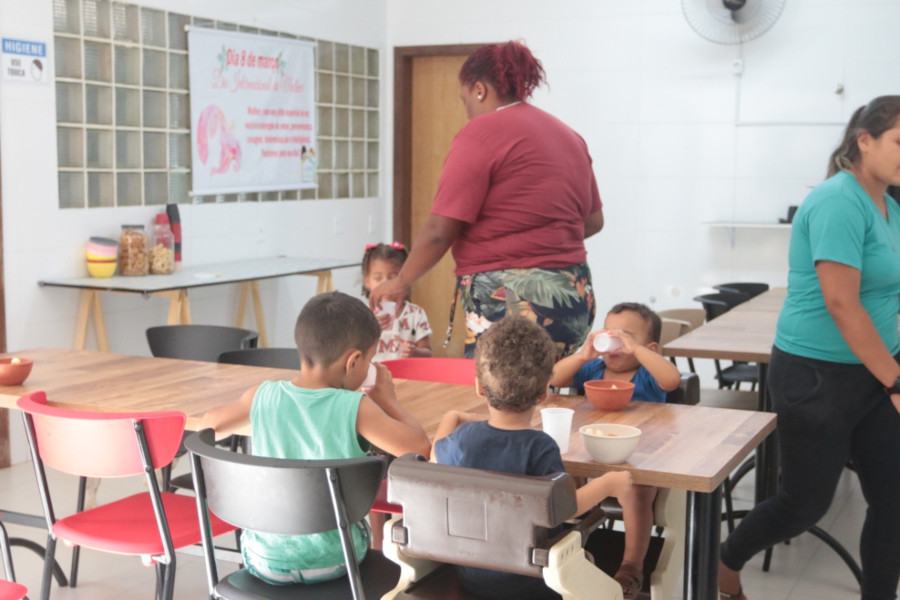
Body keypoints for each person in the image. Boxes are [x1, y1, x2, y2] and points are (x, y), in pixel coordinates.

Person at [718, 96, 900, 600]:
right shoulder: (839, 201)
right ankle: (725, 559)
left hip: (875, 371)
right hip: (817, 377)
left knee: (893, 502)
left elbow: (888, 293)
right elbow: (842, 304)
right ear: (864, 141)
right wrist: (895, 378)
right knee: (803, 506)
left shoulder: (891, 202)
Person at [369, 40, 603, 359]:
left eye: (465, 100)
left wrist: (400, 281)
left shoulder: (480, 133)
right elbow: (592, 221)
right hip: (574, 298)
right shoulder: (568, 135)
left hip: (514, 302)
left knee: (497, 398)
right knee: (549, 394)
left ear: (478, 89)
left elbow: (440, 231)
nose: (467, 111)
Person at [201, 291, 430, 586]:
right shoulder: (357, 408)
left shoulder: (264, 395)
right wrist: (390, 401)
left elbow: (209, 426)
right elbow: (419, 447)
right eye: (370, 360)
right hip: (335, 558)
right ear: (353, 361)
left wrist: (266, 416)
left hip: (263, 559)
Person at [433, 316, 633, 600]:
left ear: (479, 386)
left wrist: (451, 417)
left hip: (471, 574)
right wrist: (609, 484)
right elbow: (565, 508)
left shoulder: (462, 440)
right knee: (586, 561)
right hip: (534, 581)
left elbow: (433, 456)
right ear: (543, 394)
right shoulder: (539, 447)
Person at [549, 302, 681, 599]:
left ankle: (632, 565)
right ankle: (572, 548)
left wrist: (637, 350)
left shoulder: (648, 373)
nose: (616, 343)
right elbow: (554, 379)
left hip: (637, 459)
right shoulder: (592, 368)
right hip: (590, 453)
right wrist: (584, 353)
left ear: (650, 347)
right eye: (611, 334)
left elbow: (672, 379)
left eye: (626, 337)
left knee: (636, 493)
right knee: (561, 474)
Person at [361, 242, 433, 361]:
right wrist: (371, 330)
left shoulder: (415, 314)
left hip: (406, 377)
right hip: (374, 378)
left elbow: (428, 353)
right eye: (378, 278)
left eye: (393, 277)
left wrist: (414, 351)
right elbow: (352, 352)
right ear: (367, 282)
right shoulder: (362, 314)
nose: (385, 284)